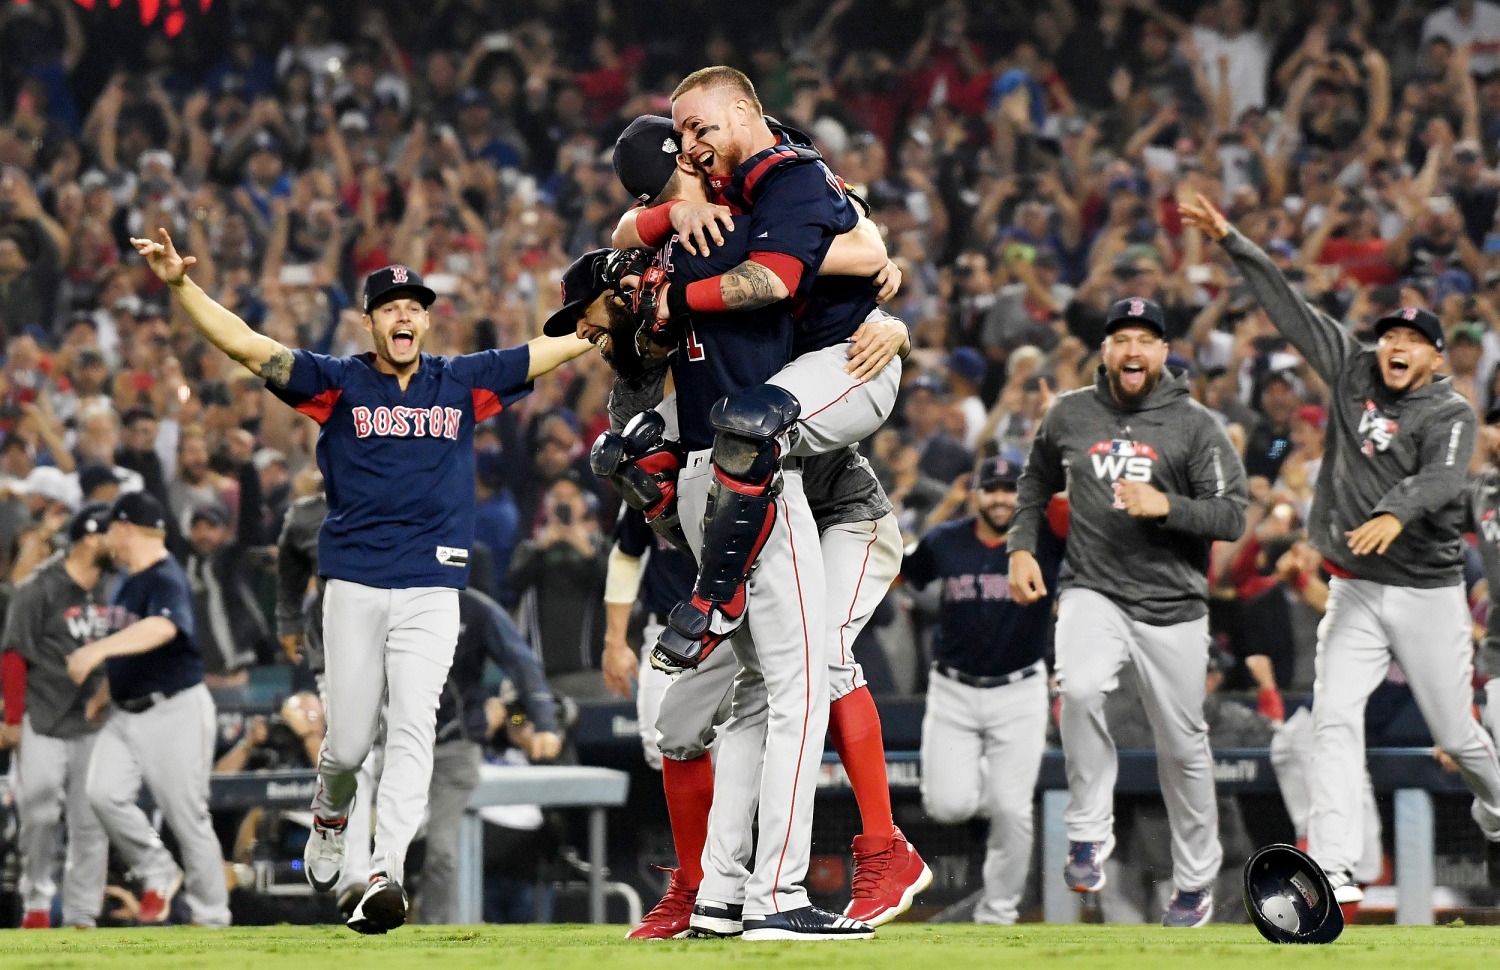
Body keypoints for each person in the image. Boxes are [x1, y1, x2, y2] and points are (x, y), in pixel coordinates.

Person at [129, 227, 594, 933]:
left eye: (415, 306)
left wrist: (611, 318)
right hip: (352, 582)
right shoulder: (340, 383)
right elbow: (248, 346)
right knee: (347, 744)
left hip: (434, 587)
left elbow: (550, 350)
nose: (404, 316)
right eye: (390, 307)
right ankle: (329, 814)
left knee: (413, 727)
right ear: (371, 321)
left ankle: (384, 870)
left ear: (426, 320)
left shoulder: (461, 381)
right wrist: (180, 285)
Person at [1181, 191, 1500, 904]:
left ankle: (1499, 809)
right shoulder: (1354, 369)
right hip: (1355, 584)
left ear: (1435, 358)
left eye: (1412, 340)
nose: (1396, 345)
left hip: (1426, 590)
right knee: (1332, 715)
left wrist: (1393, 511)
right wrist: (1233, 238)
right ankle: (1333, 864)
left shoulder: (1449, 411)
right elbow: (1289, 307)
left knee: (1460, 731)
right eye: (1390, 335)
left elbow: (1445, 478)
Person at [1009, 295, 1249, 927]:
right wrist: (1020, 551)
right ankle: (1088, 832)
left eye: (1146, 339)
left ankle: (1194, 883)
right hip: (1093, 588)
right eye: (1122, 339)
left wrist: (1167, 506)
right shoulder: (1069, 414)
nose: (1133, 350)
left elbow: (1231, 515)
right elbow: (1034, 483)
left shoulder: (1197, 425)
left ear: (1164, 353)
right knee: (1080, 691)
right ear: (1106, 351)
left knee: (1183, 745)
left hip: (1173, 605)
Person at [902, 456, 1064, 925]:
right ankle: (993, 790)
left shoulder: (1044, 541)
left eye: (1009, 489)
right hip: (953, 689)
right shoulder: (947, 539)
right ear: (976, 495)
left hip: (1019, 689)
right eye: (991, 489)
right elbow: (903, 572)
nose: (1000, 498)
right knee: (946, 805)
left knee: (1014, 810)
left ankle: (998, 914)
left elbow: (1072, 510)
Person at [66, 491, 230, 927]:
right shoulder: (129, 578)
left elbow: (164, 626)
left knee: (186, 815)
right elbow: (133, 642)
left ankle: (213, 916)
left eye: (113, 529)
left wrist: (96, 651)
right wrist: (106, 689)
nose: (109, 539)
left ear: (125, 528)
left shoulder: (164, 575)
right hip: (126, 712)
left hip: (173, 711)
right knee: (102, 793)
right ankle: (157, 869)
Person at [417, 585, 560, 925]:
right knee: (377, 850)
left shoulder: (475, 609)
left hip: (453, 744)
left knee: (441, 853)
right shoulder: (389, 599)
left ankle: (430, 941)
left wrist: (544, 721)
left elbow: (522, 662)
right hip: (392, 744)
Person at [0, 502, 113, 929]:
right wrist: (13, 718)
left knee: (91, 819)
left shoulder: (116, 586)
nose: (118, 544)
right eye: (110, 535)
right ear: (88, 538)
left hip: (95, 723)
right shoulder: (40, 587)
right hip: (44, 717)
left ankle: (83, 913)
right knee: (39, 810)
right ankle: (36, 902)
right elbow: (13, 654)